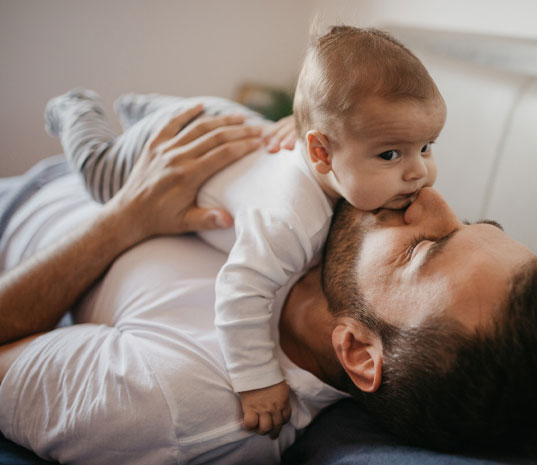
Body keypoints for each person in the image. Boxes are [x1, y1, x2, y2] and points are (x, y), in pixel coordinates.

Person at [43, 25, 447, 438]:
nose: (419, 172)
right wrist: (257, 379)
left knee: (188, 115)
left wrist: (306, 124)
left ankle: (139, 107)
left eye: (427, 145)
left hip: (225, 121)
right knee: (101, 178)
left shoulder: (344, 167)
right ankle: (78, 109)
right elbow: (239, 294)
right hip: (175, 142)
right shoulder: (287, 222)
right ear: (320, 153)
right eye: (391, 153)